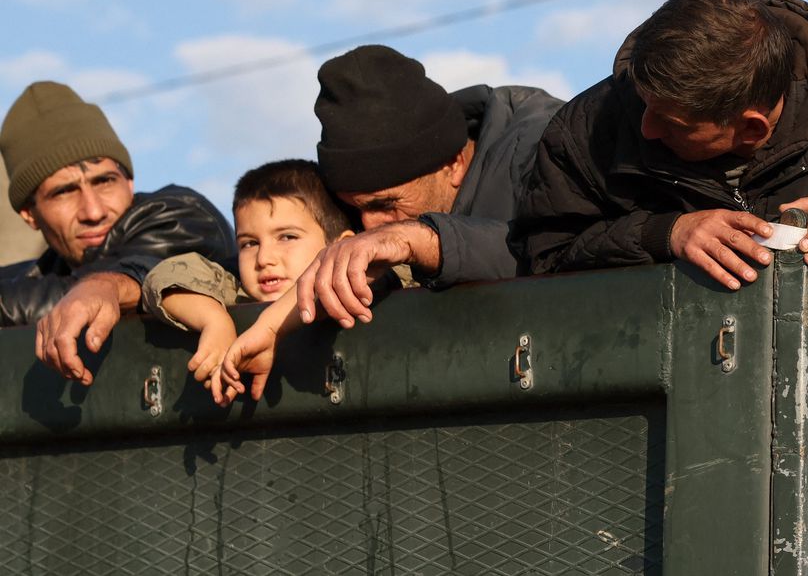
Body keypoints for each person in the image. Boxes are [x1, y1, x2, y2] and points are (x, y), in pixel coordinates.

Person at [511, 0, 808, 292]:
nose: (645, 127)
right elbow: (541, 260)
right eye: (644, 102)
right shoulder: (588, 128)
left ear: (751, 127)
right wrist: (663, 234)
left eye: (673, 124)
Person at [214, 46, 562, 402]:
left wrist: (419, 240)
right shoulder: (384, 196)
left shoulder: (547, 155)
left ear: (454, 164)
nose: (369, 226)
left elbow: (557, 253)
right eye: (354, 208)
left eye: (387, 204)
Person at [0, 81, 233, 386]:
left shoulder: (182, 215)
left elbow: (152, 268)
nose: (93, 211)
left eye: (105, 181)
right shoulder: (45, 271)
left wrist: (106, 288)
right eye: (64, 192)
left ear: (129, 181)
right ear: (30, 215)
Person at [140, 160, 361, 387]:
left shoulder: (370, 282)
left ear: (341, 247)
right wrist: (215, 322)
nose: (264, 258)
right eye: (249, 243)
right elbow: (163, 276)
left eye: (287, 237)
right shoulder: (237, 293)